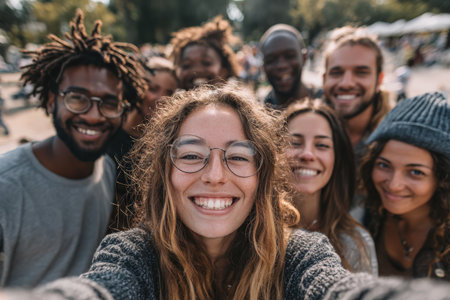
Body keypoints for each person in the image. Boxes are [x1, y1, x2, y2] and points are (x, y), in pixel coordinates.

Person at [2, 84, 450, 300]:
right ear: (164, 172)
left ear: (263, 176)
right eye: (192, 155)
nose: (215, 175)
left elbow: (336, 291)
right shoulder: (130, 254)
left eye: (238, 156)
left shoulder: (303, 254)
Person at [0, 10, 146, 288]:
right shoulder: (6, 188)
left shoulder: (108, 169)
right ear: (52, 100)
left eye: (108, 102)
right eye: (77, 98)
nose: (93, 115)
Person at [360, 92, 449, 280]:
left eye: (416, 172)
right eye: (384, 165)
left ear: (442, 179)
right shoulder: (366, 217)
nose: (394, 185)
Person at [285, 98, 377, 275]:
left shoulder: (356, 243)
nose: (307, 154)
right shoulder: (252, 233)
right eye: (295, 143)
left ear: (337, 159)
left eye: (322, 145)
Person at [322, 26, 392, 222]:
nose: (346, 82)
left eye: (361, 72)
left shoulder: (394, 143)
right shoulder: (305, 137)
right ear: (324, 79)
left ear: (379, 80)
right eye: (336, 72)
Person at [107, 55, 178, 232]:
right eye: (153, 88)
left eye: (169, 92)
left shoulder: (165, 143)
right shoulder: (106, 132)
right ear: (136, 87)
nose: (161, 98)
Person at [169, 15, 241, 90]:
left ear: (224, 71)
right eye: (186, 65)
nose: (196, 70)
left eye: (206, 63)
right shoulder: (164, 98)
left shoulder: (236, 100)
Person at [260, 24, 314, 109]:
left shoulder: (327, 103)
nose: (281, 65)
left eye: (289, 56)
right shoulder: (257, 115)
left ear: (304, 58)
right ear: (263, 67)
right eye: (271, 60)